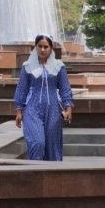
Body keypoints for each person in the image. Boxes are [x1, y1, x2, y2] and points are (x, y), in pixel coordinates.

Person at [14, 33, 74, 161]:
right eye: (40, 46)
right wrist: (19, 111)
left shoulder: (58, 67)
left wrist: (68, 108)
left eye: (46, 47)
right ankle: (35, 172)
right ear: (35, 47)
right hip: (32, 110)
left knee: (52, 147)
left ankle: (51, 173)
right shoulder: (27, 66)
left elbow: (65, 88)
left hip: (53, 111)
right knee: (37, 143)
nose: (42, 49)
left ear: (51, 48)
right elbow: (22, 89)